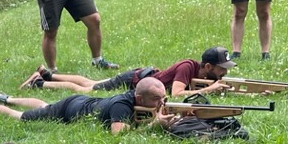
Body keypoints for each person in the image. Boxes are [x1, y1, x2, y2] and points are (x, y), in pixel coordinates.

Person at [0, 78, 173, 135]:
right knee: (20, 117)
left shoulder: (135, 99)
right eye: (157, 100)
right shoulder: (122, 106)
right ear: (140, 98)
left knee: (45, 105)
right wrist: (155, 123)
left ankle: (7, 97)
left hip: (78, 103)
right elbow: (119, 135)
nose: (161, 103)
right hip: (70, 109)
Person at [24, 47, 236, 98]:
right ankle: (40, 84)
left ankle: (47, 74)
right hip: (133, 81)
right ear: (207, 67)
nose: (223, 73)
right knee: (87, 89)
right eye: (221, 69)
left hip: (139, 76)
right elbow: (177, 94)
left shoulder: (197, 71)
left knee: (91, 81)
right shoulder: (188, 68)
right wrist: (211, 89)